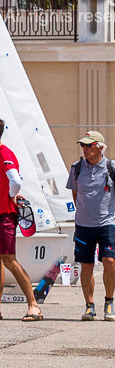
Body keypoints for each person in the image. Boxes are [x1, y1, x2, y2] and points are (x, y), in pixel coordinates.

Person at [0, 116, 44, 321]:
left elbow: (15, 179)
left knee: (8, 260)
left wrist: (12, 196)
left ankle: (34, 305)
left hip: (5, 214)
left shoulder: (5, 153)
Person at [67, 131, 115, 321]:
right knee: (86, 265)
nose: (85, 149)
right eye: (83, 146)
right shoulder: (77, 168)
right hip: (83, 225)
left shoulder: (111, 167)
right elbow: (75, 194)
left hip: (107, 223)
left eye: (88, 145)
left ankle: (109, 302)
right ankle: (89, 306)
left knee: (110, 262)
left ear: (99, 147)